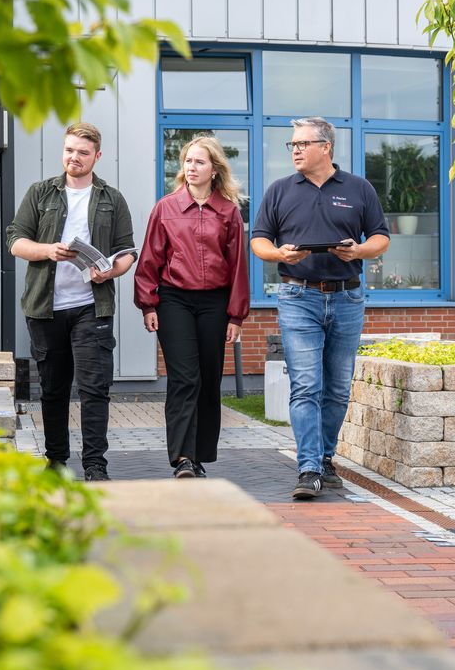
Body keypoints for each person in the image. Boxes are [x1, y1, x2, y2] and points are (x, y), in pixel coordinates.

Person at [251, 117, 390, 500]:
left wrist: (359, 251)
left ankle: (325, 459)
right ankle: (309, 467)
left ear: (325, 147)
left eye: (302, 143)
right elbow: (259, 240)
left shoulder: (358, 189)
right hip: (298, 298)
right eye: (292, 145)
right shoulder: (279, 191)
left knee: (338, 389)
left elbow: (380, 236)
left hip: (347, 298)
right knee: (307, 385)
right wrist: (278, 254)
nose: (295, 150)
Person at [6, 122, 135, 481]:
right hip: (46, 307)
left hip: (91, 307)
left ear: (97, 156)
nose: (74, 157)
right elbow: (15, 241)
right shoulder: (40, 193)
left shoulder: (112, 198)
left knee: (95, 388)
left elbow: (127, 251)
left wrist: (110, 272)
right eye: (69, 150)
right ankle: (56, 461)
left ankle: (95, 465)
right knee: (53, 388)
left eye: (82, 152)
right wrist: (49, 250)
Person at [134, 136, 250, 479]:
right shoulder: (166, 208)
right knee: (185, 378)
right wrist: (148, 304)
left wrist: (236, 314)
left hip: (215, 303)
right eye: (187, 161)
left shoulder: (228, 211)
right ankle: (183, 457)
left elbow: (238, 266)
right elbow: (150, 259)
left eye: (199, 162)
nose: (192, 167)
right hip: (174, 300)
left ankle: (199, 455)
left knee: (209, 379)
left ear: (214, 169)